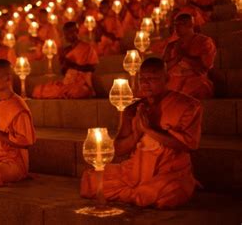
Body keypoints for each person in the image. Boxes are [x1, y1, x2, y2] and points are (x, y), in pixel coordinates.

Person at [80, 57, 202, 208]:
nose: (145, 83)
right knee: (91, 181)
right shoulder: (132, 109)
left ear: (167, 79)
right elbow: (118, 149)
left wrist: (149, 130)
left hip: (168, 172)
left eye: (152, 78)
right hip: (135, 171)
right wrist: (137, 134)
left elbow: (189, 145)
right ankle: (138, 193)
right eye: (142, 78)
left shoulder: (188, 105)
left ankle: (140, 193)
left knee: (168, 195)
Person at [32, 22, 98, 98]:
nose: (67, 36)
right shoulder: (65, 50)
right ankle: (63, 93)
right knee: (38, 90)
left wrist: (73, 65)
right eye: (65, 34)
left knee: (78, 91)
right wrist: (64, 64)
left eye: (70, 33)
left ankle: (64, 93)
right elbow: (63, 72)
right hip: (67, 83)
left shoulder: (87, 48)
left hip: (82, 84)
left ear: (77, 32)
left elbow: (92, 68)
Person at [163, 13, 216, 99]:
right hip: (173, 81)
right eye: (176, 24)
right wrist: (177, 59)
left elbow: (203, 68)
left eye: (182, 24)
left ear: (191, 24)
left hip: (195, 81)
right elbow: (163, 69)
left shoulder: (204, 42)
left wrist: (183, 56)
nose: (177, 27)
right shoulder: (171, 46)